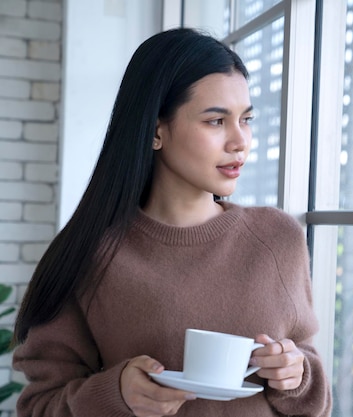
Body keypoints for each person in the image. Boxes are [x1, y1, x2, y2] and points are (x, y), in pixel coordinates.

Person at [12, 27, 332, 417]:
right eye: (216, 121)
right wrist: (115, 395)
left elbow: (313, 395)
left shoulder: (278, 237)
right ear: (155, 130)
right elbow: (37, 407)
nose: (240, 141)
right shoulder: (91, 254)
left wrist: (295, 373)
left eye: (245, 119)